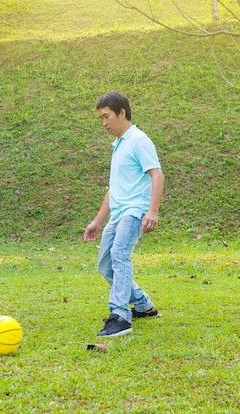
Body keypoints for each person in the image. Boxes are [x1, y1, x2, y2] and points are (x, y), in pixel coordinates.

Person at [84, 91, 165, 337]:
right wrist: (97, 221)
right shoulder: (119, 145)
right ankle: (143, 304)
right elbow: (114, 189)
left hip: (134, 211)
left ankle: (120, 315)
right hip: (118, 213)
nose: (104, 123)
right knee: (105, 264)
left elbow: (157, 174)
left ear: (122, 112)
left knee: (119, 254)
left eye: (107, 116)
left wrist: (152, 211)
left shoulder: (139, 140)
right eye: (101, 118)